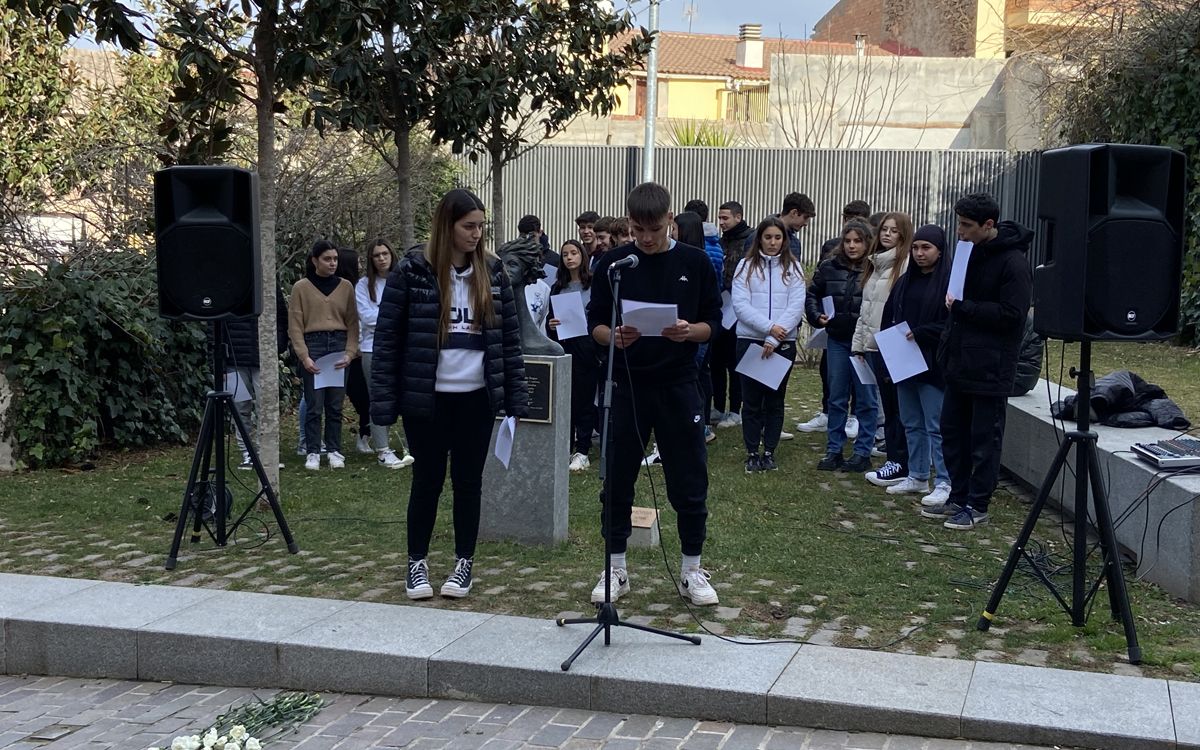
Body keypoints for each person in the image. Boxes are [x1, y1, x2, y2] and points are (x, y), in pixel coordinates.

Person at [370, 188, 529, 599]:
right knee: (426, 482)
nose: (477, 234)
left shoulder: (493, 273)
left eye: (481, 227)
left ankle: (463, 564)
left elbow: (508, 342)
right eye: (469, 226)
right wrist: (384, 405)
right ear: (448, 226)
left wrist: (515, 398)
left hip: (476, 398)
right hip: (428, 398)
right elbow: (388, 339)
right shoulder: (412, 271)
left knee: (468, 483)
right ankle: (416, 565)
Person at [586, 181, 723, 606]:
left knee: (688, 478)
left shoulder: (696, 262)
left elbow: (712, 324)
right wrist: (613, 337)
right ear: (629, 223)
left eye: (655, 229)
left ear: (670, 221)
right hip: (626, 385)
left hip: (679, 385)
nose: (646, 238)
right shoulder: (612, 264)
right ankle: (616, 569)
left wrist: (688, 332)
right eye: (638, 230)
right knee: (618, 478)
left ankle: (691, 570)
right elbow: (594, 325)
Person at [924, 193, 1032, 530]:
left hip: (990, 367)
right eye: (959, 223)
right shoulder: (967, 253)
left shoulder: (1013, 262)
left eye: (967, 225)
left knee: (984, 438)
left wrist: (963, 308)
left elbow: (1013, 315)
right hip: (959, 361)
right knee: (952, 432)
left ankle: (978, 504)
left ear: (989, 225)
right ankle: (959, 495)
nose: (960, 231)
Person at [880, 224, 951, 505]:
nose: (920, 253)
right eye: (916, 247)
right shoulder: (904, 281)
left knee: (935, 424)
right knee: (911, 421)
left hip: (933, 364)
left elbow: (950, 324)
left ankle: (944, 480)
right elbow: (889, 317)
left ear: (939, 251)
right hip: (903, 361)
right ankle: (918, 474)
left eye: (926, 248)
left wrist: (922, 332)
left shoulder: (947, 284)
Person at [732, 217, 806, 473]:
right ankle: (752, 451)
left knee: (775, 400)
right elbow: (740, 305)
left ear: (784, 240)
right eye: (768, 237)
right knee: (751, 401)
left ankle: (769, 451)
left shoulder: (794, 268)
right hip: (751, 341)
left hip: (782, 343)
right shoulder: (745, 266)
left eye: (778, 238)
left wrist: (775, 337)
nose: (773, 242)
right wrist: (768, 328)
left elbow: (796, 307)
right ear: (759, 239)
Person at [805, 219, 879, 473]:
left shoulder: (875, 268)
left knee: (866, 398)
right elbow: (813, 294)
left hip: (864, 343)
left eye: (857, 241)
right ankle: (834, 449)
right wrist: (816, 316)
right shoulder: (829, 267)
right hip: (837, 338)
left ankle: (862, 451)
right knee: (837, 396)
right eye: (847, 241)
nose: (851, 246)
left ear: (868, 243)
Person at [852, 212, 913, 488]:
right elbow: (866, 310)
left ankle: (901, 460)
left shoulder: (904, 265)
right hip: (874, 345)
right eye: (884, 230)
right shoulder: (876, 264)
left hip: (894, 344)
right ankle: (895, 457)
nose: (887, 234)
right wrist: (859, 344)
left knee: (899, 408)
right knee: (888, 407)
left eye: (894, 231)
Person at [289, 240, 359, 471]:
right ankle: (312, 451)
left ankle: (334, 449)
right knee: (313, 404)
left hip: (338, 343)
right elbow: (295, 325)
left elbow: (352, 322)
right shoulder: (301, 287)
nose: (332, 263)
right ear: (315, 260)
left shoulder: (346, 286)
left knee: (336, 404)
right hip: (314, 345)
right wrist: (304, 356)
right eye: (327, 259)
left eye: (335, 259)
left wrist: (350, 352)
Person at [356, 239, 415, 469]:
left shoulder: (403, 280)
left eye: (384, 254)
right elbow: (367, 317)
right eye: (376, 255)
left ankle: (412, 445)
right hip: (374, 349)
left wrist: (385, 315)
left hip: (403, 348)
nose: (381, 258)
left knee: (407, 396)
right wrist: (392, 317)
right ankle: (382, 449)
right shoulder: (363, 285)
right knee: (379, 399)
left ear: (392, 255)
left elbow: (410, 313)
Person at [548, 239, 600, 472]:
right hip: (564, 346)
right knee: (564, 400)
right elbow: (551, 320)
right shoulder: (557, 287)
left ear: (582, 256)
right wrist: (551, 324)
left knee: (584, 400)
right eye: (565, 254)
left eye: (573, 253)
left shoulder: (593, 284)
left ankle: (583, 448)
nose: (569, 258)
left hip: (587, 348)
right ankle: (564, 446)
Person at [714, 201, 753, 427]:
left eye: (725, 218)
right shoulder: (720, 242)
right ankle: (718, 407)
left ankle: (735, 409)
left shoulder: (749, 241)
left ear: (738, 217)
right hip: (721, 308)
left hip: (739, 311)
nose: (721, 223)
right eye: (719, 218)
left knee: (735, 363)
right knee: (717, 361)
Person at [336, 247, 373, 455]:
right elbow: (355, 320)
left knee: (363, 399)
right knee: (360, 398)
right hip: (349, 351)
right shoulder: (349, 289)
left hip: (354, 351)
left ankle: (364, 437)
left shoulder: (359, 287)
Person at [745, 192, 816, 259]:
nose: (806, 223)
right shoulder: (755, 238)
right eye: (805, 217)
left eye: (777, 238)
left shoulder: (795, 243)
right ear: (794, 213)